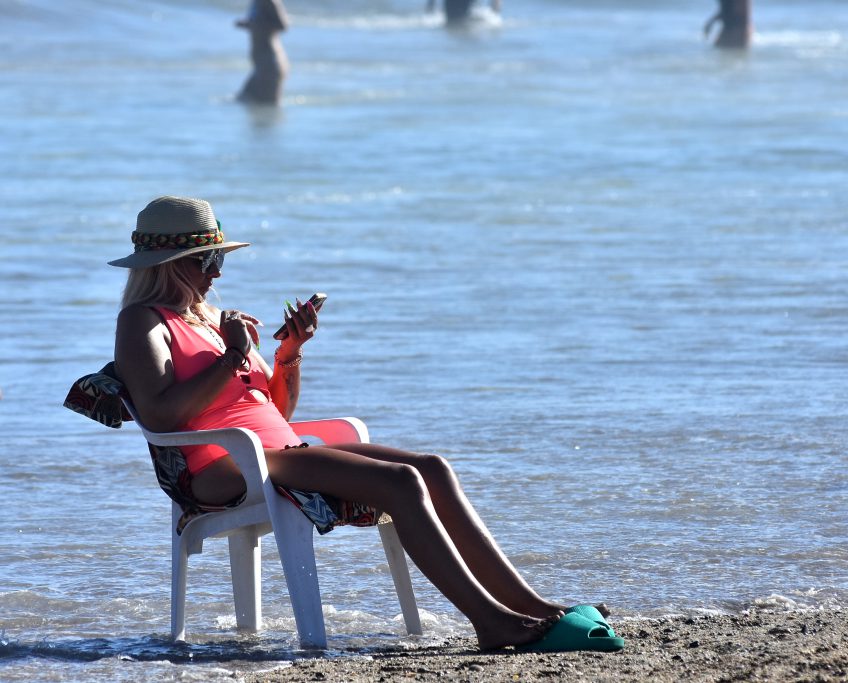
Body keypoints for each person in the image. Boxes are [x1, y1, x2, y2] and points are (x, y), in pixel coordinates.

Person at [108, 196, 622, 652]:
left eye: (219, 259)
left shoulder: (213, 319)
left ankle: (529, 604)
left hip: (279, 452)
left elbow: (276, 411)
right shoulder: (143, 320)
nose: (218, 273)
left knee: (431, 468)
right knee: (399, 482)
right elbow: (159, 415)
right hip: (220, 465)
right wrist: (230, 359)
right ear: (172, 264)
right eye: (210, 260)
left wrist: (289, 353)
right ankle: (491, 623)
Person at [236, 0, 290, 104]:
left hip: (271, 64)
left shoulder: (269, 1)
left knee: (266, 108)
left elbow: (283, 25)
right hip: (260, 65)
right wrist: (248, 24)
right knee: (243, 101)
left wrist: (254, 24)